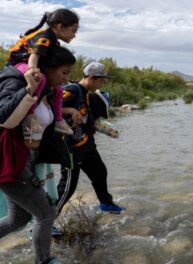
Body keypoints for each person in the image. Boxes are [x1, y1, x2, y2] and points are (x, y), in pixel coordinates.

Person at [0, 46, 76, 264]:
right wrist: (28, 90)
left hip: (23, 160)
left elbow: (45, 125)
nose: (66, 78)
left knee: (18, 218)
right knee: (46, 213)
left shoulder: (49, 92)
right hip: (9, 161)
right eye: (64, 72)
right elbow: (4, 118)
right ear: (48, 68)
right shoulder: (18, 82)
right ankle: (44, 261)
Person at [56, 62, 125, 215]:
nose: (103, 83)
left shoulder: (86, 92)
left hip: (86, 144)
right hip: (71, 147)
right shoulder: (72, 90)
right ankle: (44, 222)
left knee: (100, 172)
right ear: (92, 78)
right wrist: (71, 110)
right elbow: (50, 106)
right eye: (102, 80)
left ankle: (106, 204)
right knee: (68, 186)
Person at [8, 8, 80, 135]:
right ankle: (30, 116)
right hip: (19, 62)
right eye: (73, 31)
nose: (74, 35)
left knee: (58, 90)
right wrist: (32, 70)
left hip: (29, 62)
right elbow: (34, 56)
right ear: (60, 27)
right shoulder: (45, 37)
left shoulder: (54, 42)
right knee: (40, 79)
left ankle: (58, 120)